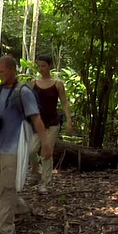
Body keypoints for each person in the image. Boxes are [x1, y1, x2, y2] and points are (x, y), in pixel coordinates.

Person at [0, 54, 51, 234]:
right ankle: (21, 208)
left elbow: (36, 118)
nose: (1, 75)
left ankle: (6, 229)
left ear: (13, 70)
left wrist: (45, 144)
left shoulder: (23, 91)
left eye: (3, 72)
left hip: (13, 148)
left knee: (6, 188)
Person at [28, 54, 74, 195]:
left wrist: (69, 121)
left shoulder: (58, 84)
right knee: (31, 150)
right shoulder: (33, 83)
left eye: (43, 65)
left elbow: (64, 103)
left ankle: (45, 183)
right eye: (39, 66)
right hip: (37, 122)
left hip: (53, 122)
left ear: (50, 66)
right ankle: (36, 172)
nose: (41, 69)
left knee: (46, 153)